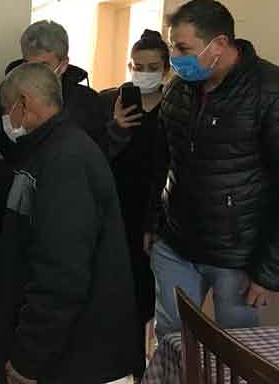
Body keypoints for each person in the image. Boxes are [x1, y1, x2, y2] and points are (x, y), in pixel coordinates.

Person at [0, 62, 141, 384]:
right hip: (61, 351)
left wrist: (28, 357)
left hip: (76, 357)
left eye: (6, 109)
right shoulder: (43, 150)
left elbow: (61, 273)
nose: (5, 119)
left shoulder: (66, 160)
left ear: (23, 103)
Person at [146, 0, 279, 341]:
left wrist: (269, 272)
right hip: (176, 243)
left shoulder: (269, 90)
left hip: (237, 256)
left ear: (219, 44)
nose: (174, 57)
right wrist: (153, 223)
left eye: (183, 48)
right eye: (172, 46)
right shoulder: (179, 88)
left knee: (235, 350)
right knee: (172, 341)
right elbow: (162, 160)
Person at [100, 29, 171, 378]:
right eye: (137, 66)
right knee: (116, 288)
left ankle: (147, 368)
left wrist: (154, 222)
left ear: (166, 70)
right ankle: (121, 363)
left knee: (149, 293)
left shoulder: (175, 107)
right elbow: (97, 159)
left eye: (152, 67)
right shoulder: (111, 101)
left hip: (157, 212)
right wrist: (116, 127)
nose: (143, 73)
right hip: (115, 210)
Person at [0, 20, 107, 167]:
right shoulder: (1, 97)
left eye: (43, 66)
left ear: (63, 65)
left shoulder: (88, 102)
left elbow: (99, 156)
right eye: (29, 65)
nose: (34, 73)